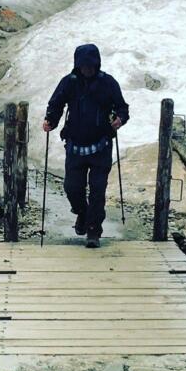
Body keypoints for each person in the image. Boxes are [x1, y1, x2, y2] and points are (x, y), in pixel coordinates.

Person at [41, 43, 129, 248]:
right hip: (75, 146)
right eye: (84, 66)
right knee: (72, 188)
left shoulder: (108, 83)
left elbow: (122, 107)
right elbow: (56, 104)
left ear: (97, 65)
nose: (87, 70)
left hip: (101, 146)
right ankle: (82, 213)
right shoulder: (69, 82)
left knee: (98, 190)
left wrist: (119, 119)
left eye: (91, 66)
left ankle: (93, 231)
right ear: (77, 65)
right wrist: (50, 121)